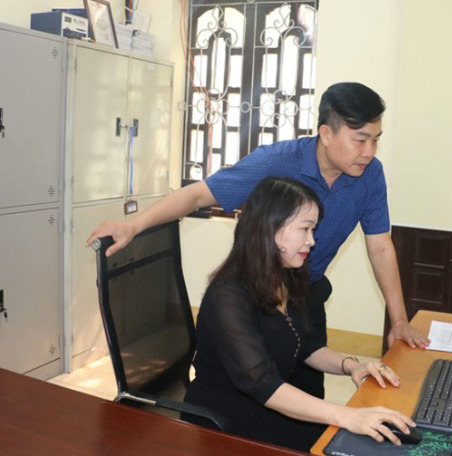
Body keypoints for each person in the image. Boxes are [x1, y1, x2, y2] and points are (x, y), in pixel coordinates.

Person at [87, 81, 430, 399]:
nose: (369, 151)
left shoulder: (371, 175)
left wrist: (399, 321)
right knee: (257, 393)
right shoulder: (278, 161)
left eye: (376, 139)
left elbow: (380, 245)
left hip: (304, 295)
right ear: (326, 133)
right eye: (360, 139)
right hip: (256, 298)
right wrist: (134, 225)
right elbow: (197, 196)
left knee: (308, 398)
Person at [183, 176, 416, 451]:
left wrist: (353, 366)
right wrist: (346, 415)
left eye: (313, 230)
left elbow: (306, 346)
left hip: (267, 405)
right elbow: (263, 384)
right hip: (227, 422)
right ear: (270, 228)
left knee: (363, 440)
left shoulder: (285, 277)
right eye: (305, 229)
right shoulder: (228, 296)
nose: (312, 241)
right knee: (343, 441)